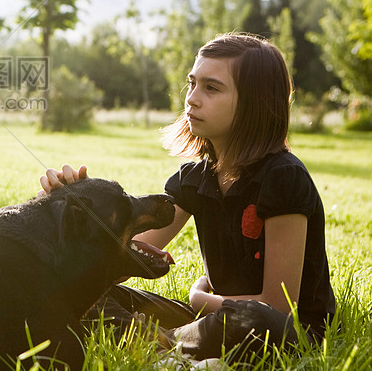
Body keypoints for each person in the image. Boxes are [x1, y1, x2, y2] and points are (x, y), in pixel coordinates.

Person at [39, 33, 336, 361]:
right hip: (213, 321)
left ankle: (159, 346)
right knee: (89, 296)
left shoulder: (284, 177)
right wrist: (67, 210)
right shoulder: (193, 179)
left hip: (283, 331)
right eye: (192, 83)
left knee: (255, 321)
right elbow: (116, 260)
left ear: (255, 102)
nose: (192, 99)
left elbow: (278, 306)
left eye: (211, 88)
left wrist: (198, 298)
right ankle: (168, 349)